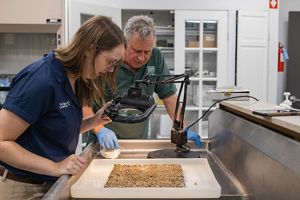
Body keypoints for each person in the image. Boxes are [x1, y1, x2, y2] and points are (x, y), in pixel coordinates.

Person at [0, 16, 126, 199]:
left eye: (115, 65)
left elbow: (55, 128)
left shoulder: (75, 79)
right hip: (21, 186)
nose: (110, 70)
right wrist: (55, 167)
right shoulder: (42, 79)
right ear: (90, 50)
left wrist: (94, 121)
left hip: (49, 183)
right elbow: (2, 142)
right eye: (110, 62)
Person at [84, 15, 202, 150]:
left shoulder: (156, 57)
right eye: (137, 51)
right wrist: (100, 131)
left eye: (147, 52)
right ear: (124, 44)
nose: (141, 57)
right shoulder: (108, 62)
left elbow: (169, 97)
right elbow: (84, 104)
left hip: (138, 142)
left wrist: (182, 127)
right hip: (104, 142)